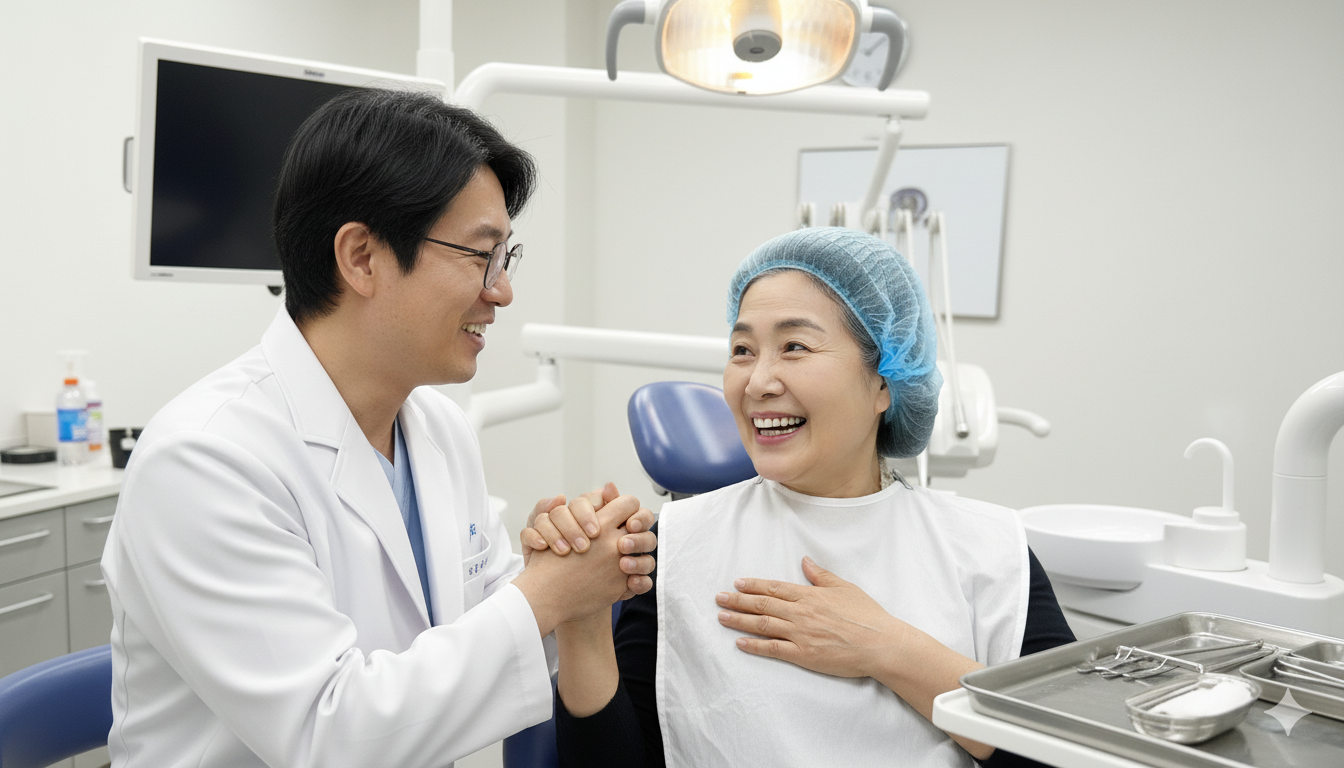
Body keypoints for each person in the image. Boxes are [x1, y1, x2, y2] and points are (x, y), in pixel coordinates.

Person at [100, 89, 657, 768]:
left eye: (506, 259)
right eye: (480, 256)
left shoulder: (437, 430)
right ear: (362, 257)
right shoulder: (204, 459)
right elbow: (328, 733)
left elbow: (498, 622)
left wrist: (568, 567)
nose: (502, 291)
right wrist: (547, 595)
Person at [538, 228, 1075, 767]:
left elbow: (1069, 755)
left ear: (885, 382)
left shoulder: (989, 550)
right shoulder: (673, 544)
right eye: (742, 350)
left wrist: (890, 649)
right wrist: (579, 618)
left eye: (795, 346)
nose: (758, 382)